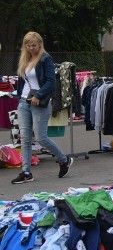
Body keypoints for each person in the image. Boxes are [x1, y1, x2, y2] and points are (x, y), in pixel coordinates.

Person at [12, 32, 73, 184]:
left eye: (34, 45)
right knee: (25, 139)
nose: (31, 48)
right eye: (28, 45)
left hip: (39, 101)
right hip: (24, 102)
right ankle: (26, 172)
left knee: (41, 138)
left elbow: (51, 82)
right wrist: (20, 97)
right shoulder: (25, 59)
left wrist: (38, 96)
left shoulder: (46, 59)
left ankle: (64, 160)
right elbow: (22, 82)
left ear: (40, 44)